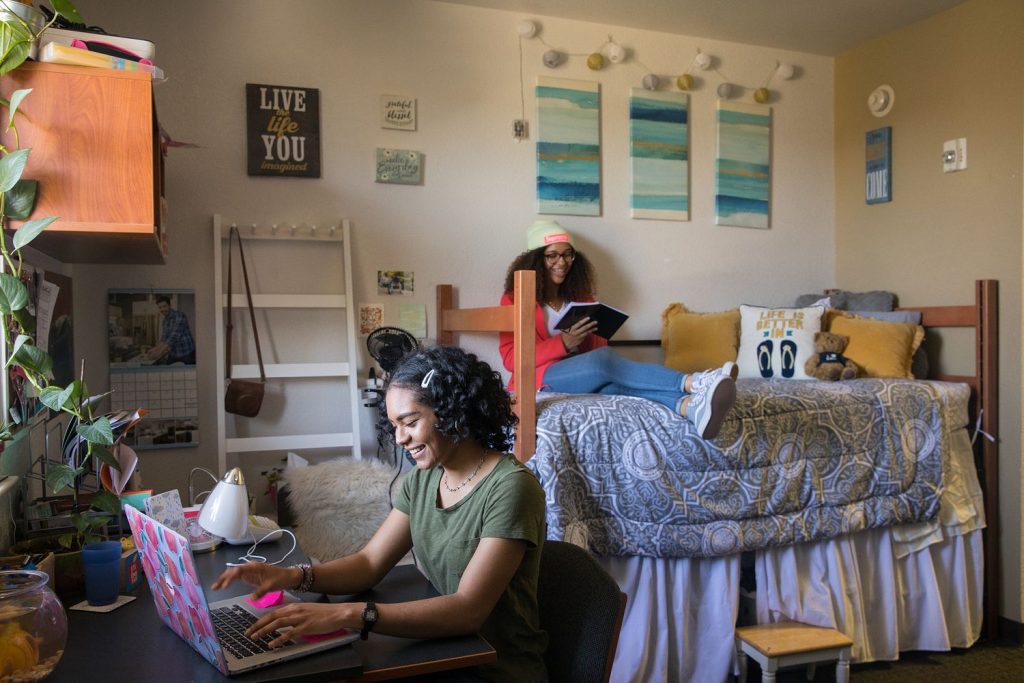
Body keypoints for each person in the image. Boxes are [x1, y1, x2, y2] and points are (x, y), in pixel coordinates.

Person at [212, 346, 548, 683]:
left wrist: (348, 614)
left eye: (410, 422)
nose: (400, 438)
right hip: (443, 653)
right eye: (394, 425)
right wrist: (290, 576)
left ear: (451, 411)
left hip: (494, 670)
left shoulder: (511, 489)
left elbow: (468, 610)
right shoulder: (425, 479)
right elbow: (370, 563)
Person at [500, 219, 737, 440]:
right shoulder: (515, 298)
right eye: (552, 256)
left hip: (580, 373)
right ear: (535, 260)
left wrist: (596, 331)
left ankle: (688, 407)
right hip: (536, 378)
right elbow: (511, 360)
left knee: (610, 387)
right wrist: (563, 343)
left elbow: (596, 350)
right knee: (602, 361)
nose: (561, 263)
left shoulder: (581, 297)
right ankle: (694, 383)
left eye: (567, 255)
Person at [147, 295, 196, 364]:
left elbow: (173, 338)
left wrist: (158, 352)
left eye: (164, 306)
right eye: (160, 307)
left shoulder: (179, 316)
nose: (162, 309)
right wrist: (155, 348)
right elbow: (164, 338)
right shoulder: (165, 321)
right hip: (174, 353)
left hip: (186, 353)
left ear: (169, 305)